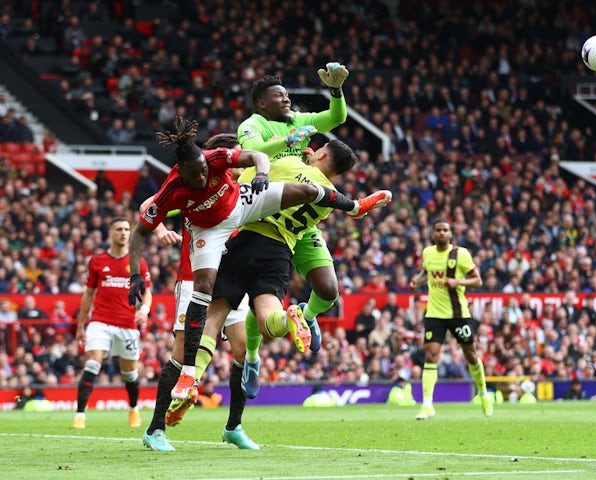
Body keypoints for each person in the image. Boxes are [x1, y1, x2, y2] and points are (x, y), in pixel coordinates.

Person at [128, 116, 390, 404]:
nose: (202, 176)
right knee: (269, 319)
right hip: (274, 247)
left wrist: (271, 165)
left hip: (245, 230)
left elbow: (257, 156)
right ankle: (292, 318)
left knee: (212, 314)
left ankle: (194, 377)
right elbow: (286, 172)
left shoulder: (224, 162)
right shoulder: (179, 186)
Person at [142, 134, 258, 452]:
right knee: (181, 355)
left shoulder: (238, 192)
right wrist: (163, 229)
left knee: (242, 352)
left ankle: (234, 426)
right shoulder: (191, 188)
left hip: (232, 282)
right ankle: (155, 429)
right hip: (194, 278)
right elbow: (148, 205)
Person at [237, 63, 350, 354]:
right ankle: (252, 357)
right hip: (265, 215)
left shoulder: (297, 119)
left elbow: (336, 118)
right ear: (262, 102)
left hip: (299, 220)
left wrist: (336, 91)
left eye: (287, 94)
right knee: (264, 294)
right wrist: (286, 142)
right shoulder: (252, 125)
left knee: (328, 290)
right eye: (279, 95)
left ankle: (306, 317)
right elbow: (254, 153)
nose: (287, 99)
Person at [72, 217, 152, 429]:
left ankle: (133, 409)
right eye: (119, 229)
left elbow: (148, 292)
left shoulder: (138, 262)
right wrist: (81, 325)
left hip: (127, 324)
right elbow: (88, 295)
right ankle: (80, 415)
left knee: (130, 374)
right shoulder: (97, 261)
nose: (124, 233)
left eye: (127, 229)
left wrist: (144, 309)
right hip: (100, 322)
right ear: (111, 233)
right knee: (92, 363)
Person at [410, 217, 493, 419]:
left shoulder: (461, 254)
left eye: (445, 230)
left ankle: (483, 394)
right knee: (431, 356)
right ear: (433, 233)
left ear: (450, 234)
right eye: (438, 230)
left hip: (458, 314)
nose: (441, 233)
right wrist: (417, 280)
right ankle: (428, 405)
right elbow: (426, 272)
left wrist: (457, 281)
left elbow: (478, 280)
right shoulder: (428, 253)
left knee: (471, 355)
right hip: (435, 314)